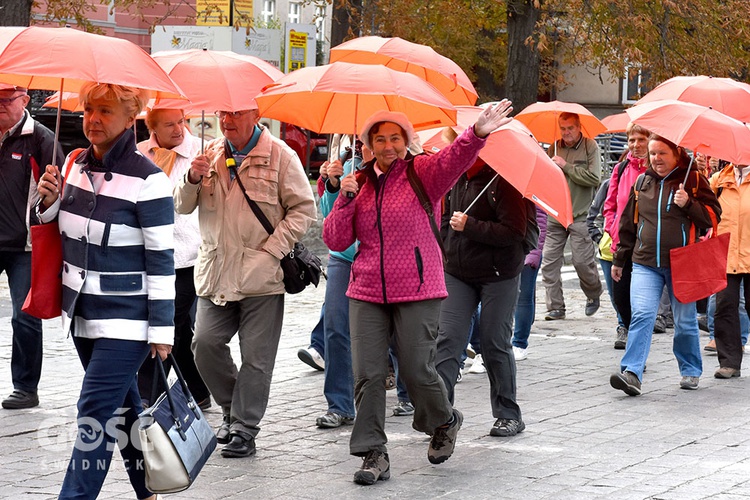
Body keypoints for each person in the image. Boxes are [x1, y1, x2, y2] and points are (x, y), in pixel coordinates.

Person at [323, 101, 514, 485]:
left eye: (395, 138)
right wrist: (342, 197)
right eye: (380, 139)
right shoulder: (356, 183)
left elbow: (455, 157)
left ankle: (443, 419)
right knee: (368, 375)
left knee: (416, 369)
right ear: (369, 144)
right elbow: (336, 238)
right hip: (366, 290)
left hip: (419, 287)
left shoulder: (423, 172)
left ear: (407, 141)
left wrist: (476, 132)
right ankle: (373, 453)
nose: (388, 145)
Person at [37, 83, 175, 499]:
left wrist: (162, 331)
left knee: (94, 412)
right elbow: (59, 229)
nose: (92, 119)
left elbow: (161, 260)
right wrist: (46, 203)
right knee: (124, 406)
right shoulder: (75, 162)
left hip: (128, 319)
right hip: (82, 310)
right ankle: (147, 489)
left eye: (105, 112)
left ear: (129, 117)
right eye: (89, 110)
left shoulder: (149, 180)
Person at [174, 106, 316, 458]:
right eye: (224, 113)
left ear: (256, 114)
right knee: (204, 345)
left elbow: (303, 209)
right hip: (215, 272)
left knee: (256, 359)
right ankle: (231, 409)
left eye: (237, 113)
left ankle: (244, 428)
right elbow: (181, 206)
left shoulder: (281, 156)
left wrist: (273, 250)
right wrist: (191, 178)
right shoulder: (208, 154)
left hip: (261, 276)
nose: (228, 120)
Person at [610, 135, 721, 395]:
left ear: (676, 154)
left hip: (682, 263)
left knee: (684, 321)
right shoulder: (642, 182)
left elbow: (713, 217)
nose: (656, 159)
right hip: (645, 262)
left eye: (662, 153)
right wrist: (619, 259)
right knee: (642, 315)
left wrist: (690, 204)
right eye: (652, 154)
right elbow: (628, 225)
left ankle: (690, 370)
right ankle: (632, 373)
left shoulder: (693, 180)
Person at [434, 154, 529, 438]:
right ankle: (439, 414)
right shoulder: (455, 177)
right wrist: (443, 249)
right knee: (448, 339)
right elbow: (443, 220)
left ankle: (508, 414)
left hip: (499, 273)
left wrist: (470, 226)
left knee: (493, 341)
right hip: (458, 271)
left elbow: (515, 231)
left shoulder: (505, 179)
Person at [136, 107, 211, 408]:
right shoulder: (140, 153)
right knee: (178, 328)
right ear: (152, 127)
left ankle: (147, 394)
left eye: (181, 121)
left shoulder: (201, 152)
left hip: (188, 253)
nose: (179, 129)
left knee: (170, 322)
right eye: (169, 124)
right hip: (151, 254)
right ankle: (200, 389)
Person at [0, 84, 63, 410]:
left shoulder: (41, 138)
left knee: (24, 317)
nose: (0, 105)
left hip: (24, 243)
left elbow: (58, 191)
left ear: (24, 100)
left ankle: (25, 388)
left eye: (6, 99)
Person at [314, 141, 369, 428]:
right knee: (335, 328)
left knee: (392, 334)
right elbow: (330, 217)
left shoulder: (396, 169)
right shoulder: (347, 166)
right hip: (343, 257)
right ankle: (340, 404)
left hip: (379, 258)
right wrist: (333, 184)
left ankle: (407, 393)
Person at [540, 112, 603, 320]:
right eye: (563, 129)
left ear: (579, 127)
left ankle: (594, 293)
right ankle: (555, 307)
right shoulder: (554, 147)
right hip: (556, 214)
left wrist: (565, 166)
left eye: (570, 128)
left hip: (581, 214)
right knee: (549, 262)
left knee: (581, 262)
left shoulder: (590, 147)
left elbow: (595, 178)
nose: (566, 133)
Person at [602, 122, 650, 348]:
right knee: (621, 299)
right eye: (632, 140)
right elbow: (610, 205)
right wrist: (612, 228)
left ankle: (636, 349)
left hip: (647, 245)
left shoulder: (655, 170)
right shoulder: (620, 169)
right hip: (622, 244)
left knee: (640, 302)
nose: (636, 145)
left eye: (641, 139)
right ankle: (632, 335)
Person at [710, 161, 750, 378]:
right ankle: (729, 363)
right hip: (725, 253)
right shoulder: (719, 180)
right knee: (724, 306)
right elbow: (704, 209)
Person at [511, 206, 547, 361]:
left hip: (528, 250)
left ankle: (519, 343)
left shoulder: (532, 190)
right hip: (504, 250)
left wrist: (534, 252)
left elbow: (540, 221)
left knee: (524, 298)